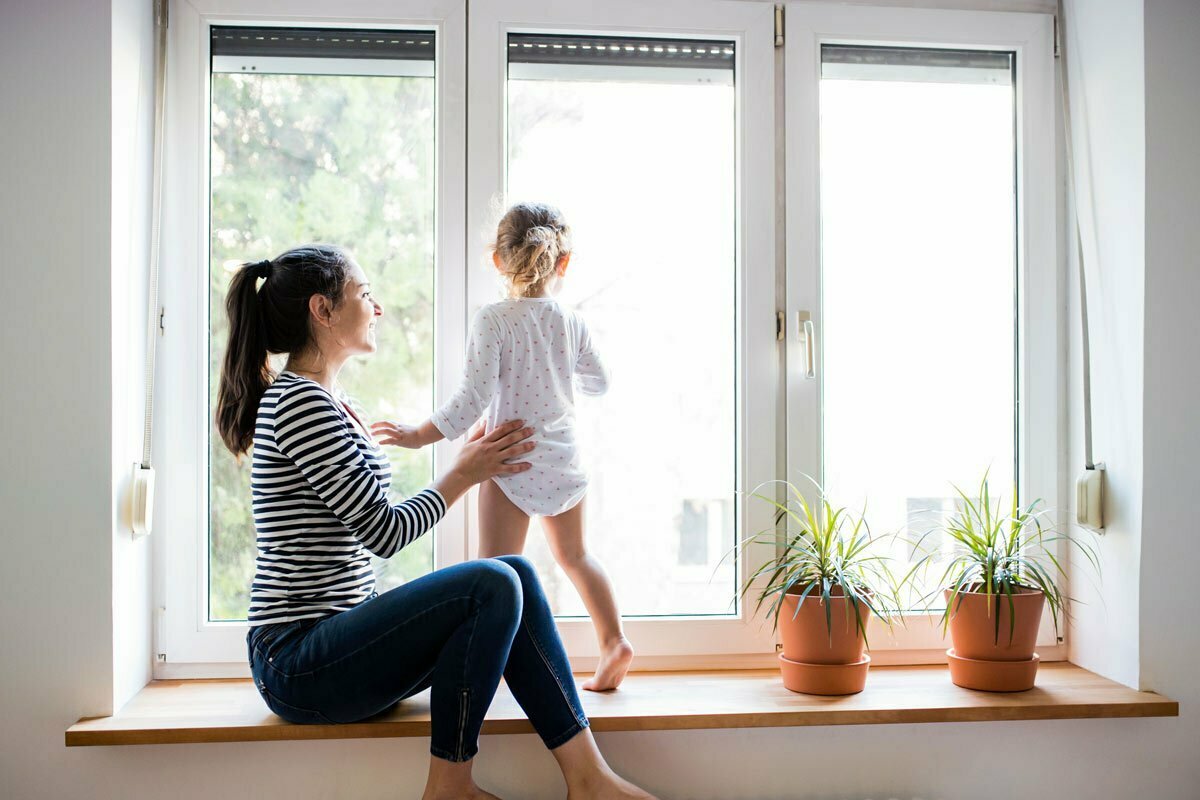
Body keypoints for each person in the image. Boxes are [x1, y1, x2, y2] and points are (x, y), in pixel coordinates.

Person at [215, 244, 654, 800]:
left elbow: (363, 516)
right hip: (298, 662)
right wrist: (462, 474)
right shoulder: (300, 404)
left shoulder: (328, 399)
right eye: (364, 294)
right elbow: (384, 531)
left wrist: (467, 463)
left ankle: (590, 780)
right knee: (492, 581)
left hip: (333, 645)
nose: (377, 309)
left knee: (513, 572)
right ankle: (451, 787)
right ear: (322, 310)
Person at [372, 203, 634, 692]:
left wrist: (415, 435)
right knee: (576, 556)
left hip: (508, 458)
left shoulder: (492, 320)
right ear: (564, 262)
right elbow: (599, 382)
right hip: (562, 458)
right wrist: (557, 370)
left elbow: (470, 401)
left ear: (497, 260)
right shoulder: (570, 321)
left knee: (496, 575)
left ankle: (496, 671)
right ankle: (614, 640)